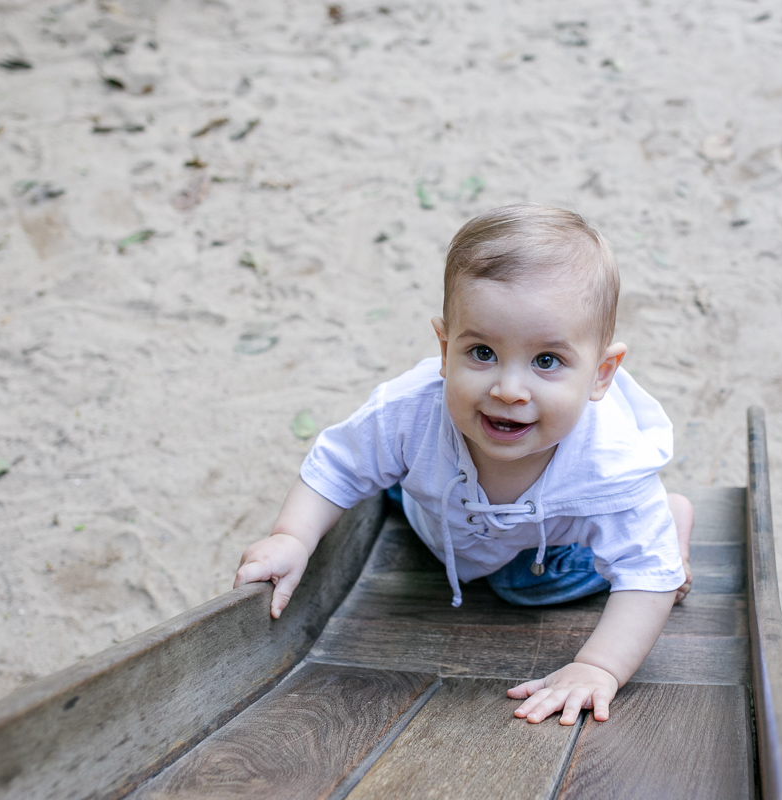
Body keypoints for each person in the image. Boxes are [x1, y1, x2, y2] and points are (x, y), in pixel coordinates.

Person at [233, 203, 693, 726]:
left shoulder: (609, 468)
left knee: (524, 587)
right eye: (482, 353)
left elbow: (645, 572)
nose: (508, 390)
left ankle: (669, 517)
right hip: (435, 505)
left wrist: (598, 667)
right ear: (445, 347)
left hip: (542, 542)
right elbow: (338, 464)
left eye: (547, 361)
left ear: (601, 374)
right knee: (389, 474)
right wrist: (292, 536)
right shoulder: (410, 412)